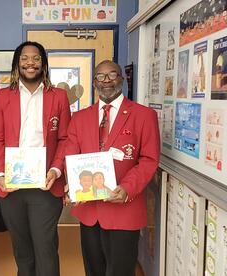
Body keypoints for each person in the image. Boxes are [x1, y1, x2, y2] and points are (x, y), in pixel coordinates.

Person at [65, 60, 160, 276]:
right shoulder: (79, 118)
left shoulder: (144, 115)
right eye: (100, 76)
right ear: (94, 82)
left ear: (122, 79)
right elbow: (71, 154)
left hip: (125, 209)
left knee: (120, 271)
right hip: (89, 211)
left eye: (112, 75)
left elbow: (149, 159)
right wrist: (71, 183)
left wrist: (127, 188)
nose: (106, 81)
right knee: (93, 270)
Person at [0, 41, 71, 276]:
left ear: (43, 64)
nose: (30, 63)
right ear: (17, 64)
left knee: (45, 247)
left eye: (36, 58)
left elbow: (65, 139)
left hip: (45, 185)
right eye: (24, 58)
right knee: (22, 249)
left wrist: (56, 170)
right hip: (11, 185)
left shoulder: (59, 97)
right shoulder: (3, 97)